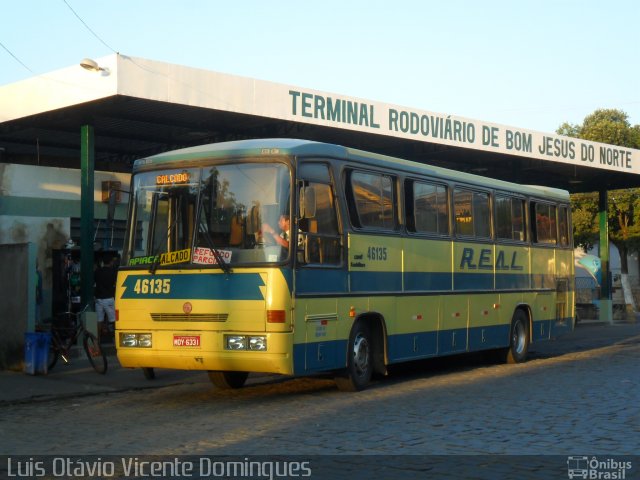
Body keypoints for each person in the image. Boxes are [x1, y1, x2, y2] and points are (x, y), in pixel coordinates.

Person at [94, 256, 118, 337]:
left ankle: (97, 341)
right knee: (113, 320)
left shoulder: (97, 271)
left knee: (99, 320)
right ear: (111, 262)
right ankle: (114, 339)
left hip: (99, 299)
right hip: (109, 298)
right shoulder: (113, 272)